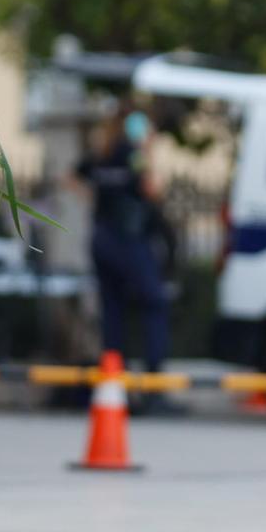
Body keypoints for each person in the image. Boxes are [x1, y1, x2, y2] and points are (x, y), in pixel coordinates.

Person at [77, 103, 172, 395]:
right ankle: (154, 384)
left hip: (102, 238)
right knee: (155, 303)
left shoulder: (102, 153)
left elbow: (73, 177)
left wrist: (97, 198)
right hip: (129, 239)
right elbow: (153, 188)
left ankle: (112, 382)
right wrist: (149, 151)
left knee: (112, 309)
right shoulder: (133, 155)